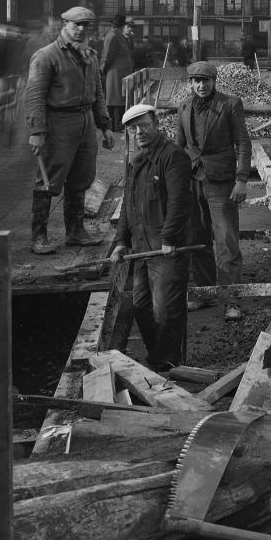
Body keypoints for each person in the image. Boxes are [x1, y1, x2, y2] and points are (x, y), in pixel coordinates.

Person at [23, 6, 115, 255]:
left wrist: (105, 125)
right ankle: (39, 236)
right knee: (48, 180)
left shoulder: (90, 56)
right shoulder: (46, 56)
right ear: (65, 25)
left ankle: (75, 231)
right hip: (58, 123)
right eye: (77, 25)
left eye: (86, 25)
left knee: (81, 178)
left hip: (84, 122)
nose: (82, 29)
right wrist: (37, 131)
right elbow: (34, 96)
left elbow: (97, 93)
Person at [111, 104, 192, 371]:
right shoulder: (136, 161)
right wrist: (121, 241)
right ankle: (161, 357)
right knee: (140, 307)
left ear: (156, 124)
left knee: (165, 311)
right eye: (133, 129)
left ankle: (165, 362)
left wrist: (169, 239)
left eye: (144, 125)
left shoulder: (173, 157)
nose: (139, 132)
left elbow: (180, 203)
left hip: (166, 249)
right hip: (140, 248)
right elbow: (127, 205)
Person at [173, 60, 251, 319]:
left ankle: (232, 300)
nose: (201, 85)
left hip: (221, 181)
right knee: (196, 238)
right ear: (191, 83)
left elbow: (242, 142)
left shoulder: (230, 105)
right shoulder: (183, 107)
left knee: (226, 241)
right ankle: (205, 293)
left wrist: (242, 179)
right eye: (197, 81)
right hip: (191, 181)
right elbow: (179, 147)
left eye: (206, 81)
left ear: (214, 81)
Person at [101, 15, 136, 128]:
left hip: (121, 73)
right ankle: (115, 126)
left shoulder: (118, 35)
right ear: (121, 26)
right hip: (115, 74)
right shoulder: (113, 36)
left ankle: (118, 125)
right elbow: (107, 56)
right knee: (115, 100)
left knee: (120, 99)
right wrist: (102, 70)